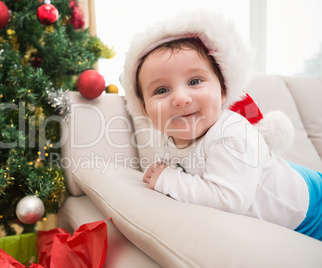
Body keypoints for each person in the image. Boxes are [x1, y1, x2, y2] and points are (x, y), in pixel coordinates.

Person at [121, 11, 322, 240]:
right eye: (162, 90)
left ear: (223, 90)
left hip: (312, 207)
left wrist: (168, 179)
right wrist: (164, 170)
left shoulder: (232, 134)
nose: (180, 98)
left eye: (195, 81)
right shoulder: (172, 137)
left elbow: (230, 200)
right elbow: (186, 168)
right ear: (145, 110)